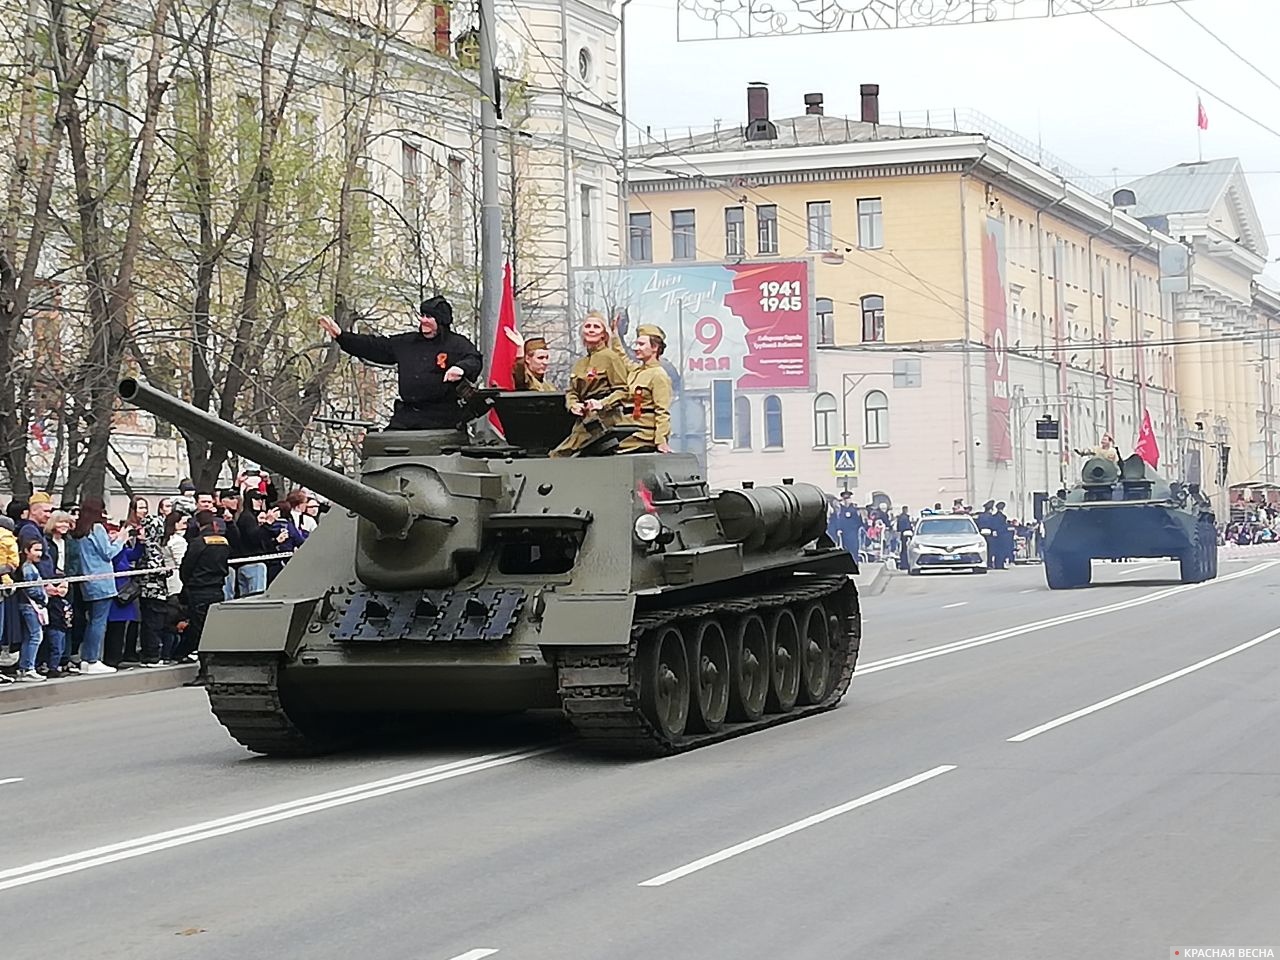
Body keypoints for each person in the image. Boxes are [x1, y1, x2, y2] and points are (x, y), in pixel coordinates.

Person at [319, 297, 483, 430]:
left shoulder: (456, 344)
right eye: (423, 316)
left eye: (429, 317)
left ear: (441, 322)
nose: (424, 320)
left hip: (443, 418)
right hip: (408, 416)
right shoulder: (407, 343)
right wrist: (341, 336)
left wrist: (460, 368)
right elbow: (374, 346)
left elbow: (474, 360)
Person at [548, 311, 631, 457]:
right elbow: (572, 392)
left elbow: (623, 392)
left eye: (596, 327)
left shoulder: (611, 358)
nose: (591, 330)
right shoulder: (580, 364)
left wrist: (601, 403)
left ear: (604, 334)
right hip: (584, 420)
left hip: (605, 421)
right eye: (587, 326)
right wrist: (573, 405)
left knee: (560, 454)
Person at [69, 496, 128, 675]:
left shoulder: (80, 530)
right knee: (98, 622)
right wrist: (120, 540)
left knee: (92, 621)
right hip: (102, 580)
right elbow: (108, 553)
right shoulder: (97, 527)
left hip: (87, 580)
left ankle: (87, 659)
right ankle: (92, 659)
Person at [176, 510, 231, 664]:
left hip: (199, 590)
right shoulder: (223, 541)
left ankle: (204, 668)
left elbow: (186, 567)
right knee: (212, 629)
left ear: (199, 525)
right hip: (217, 589)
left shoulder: (198, 543)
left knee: (199, 629)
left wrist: (188, 583)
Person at [612, 323, 673, 454]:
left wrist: (661, 440)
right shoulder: (636, 371)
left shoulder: (659, 375)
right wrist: (614, 336)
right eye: (636, 344)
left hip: (642, 436)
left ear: (655, 347)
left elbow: (662, 411)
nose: (636, 348)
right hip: (627, 432)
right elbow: (621, 357)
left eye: (641, 344)